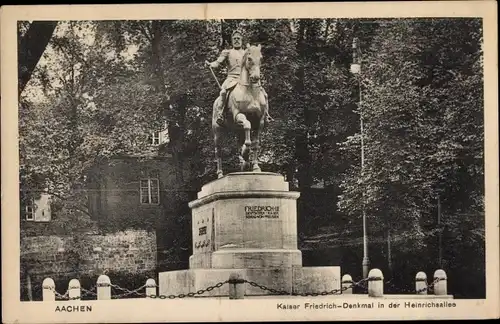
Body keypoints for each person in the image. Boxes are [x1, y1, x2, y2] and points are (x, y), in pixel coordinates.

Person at [206, 29, 272, 127]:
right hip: (231, 79)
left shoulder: (246, 52)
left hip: (246, 79)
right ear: (232, 40)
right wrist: (210, 64)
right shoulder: (227, 52)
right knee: (223, 92)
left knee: (264, 94)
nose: (236, 40)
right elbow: (217, 62)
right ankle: (220, 113)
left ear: (241, 40)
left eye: (238, 38)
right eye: (234, 38)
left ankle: (266, 115)